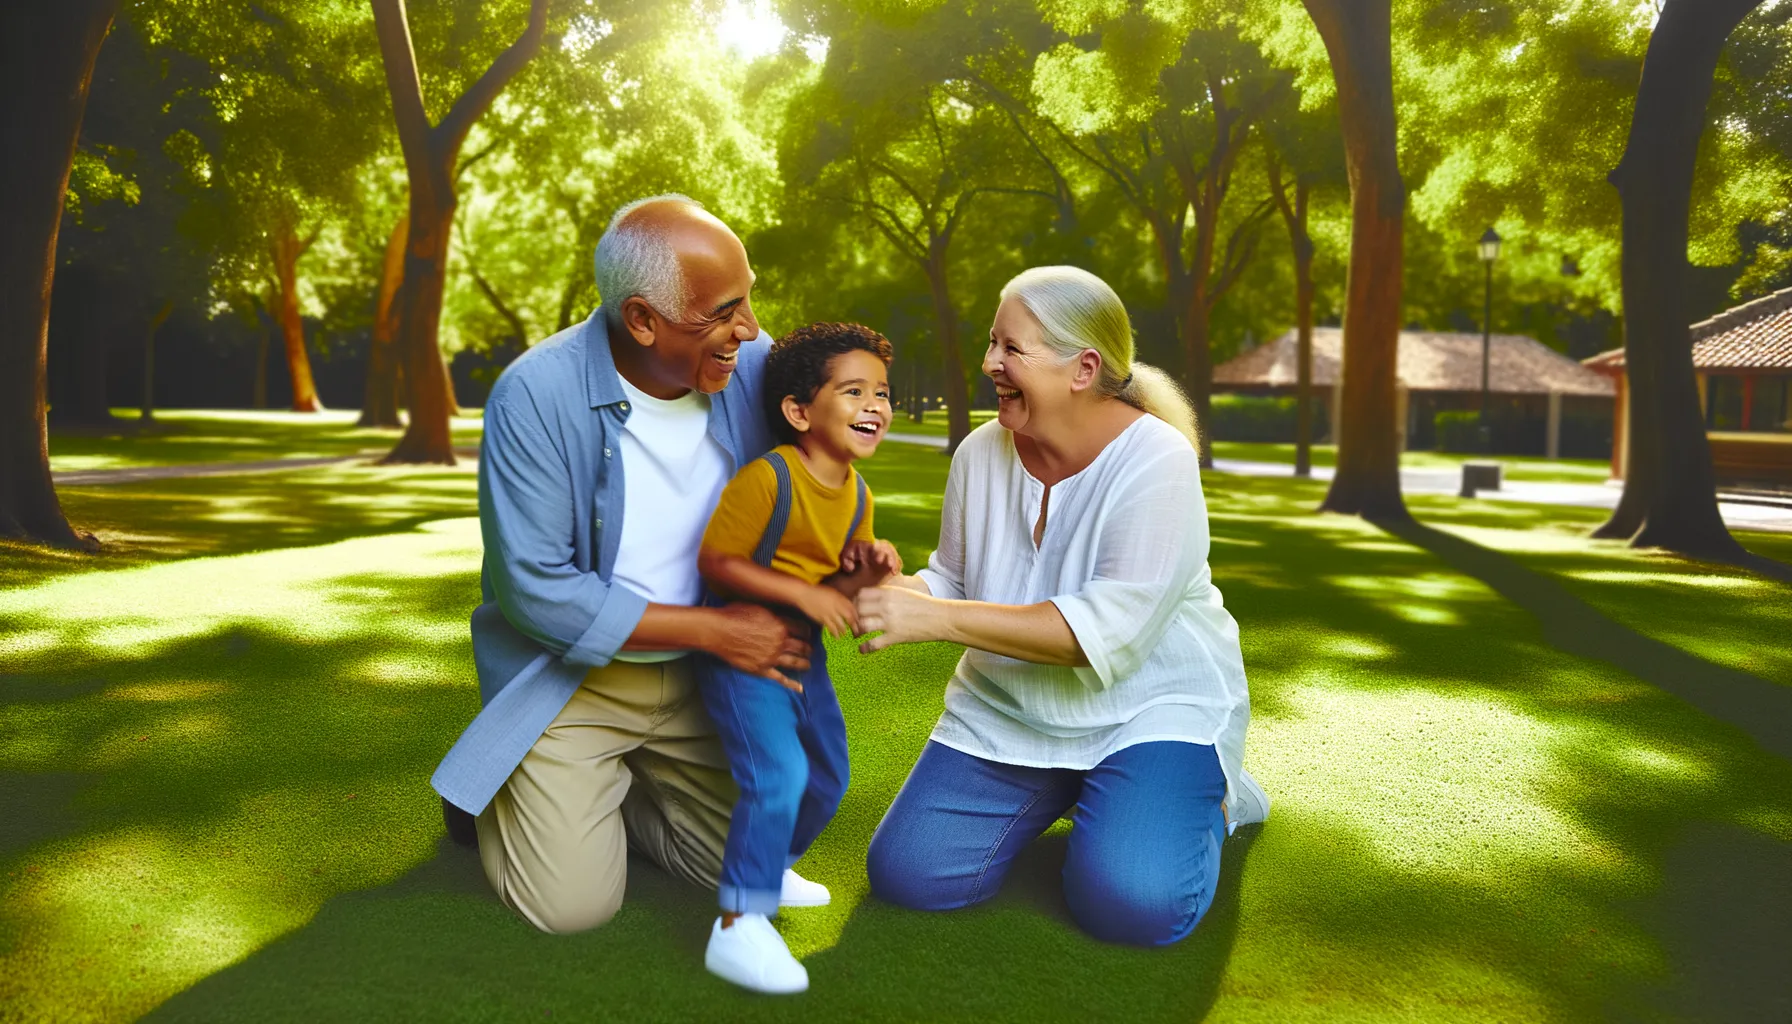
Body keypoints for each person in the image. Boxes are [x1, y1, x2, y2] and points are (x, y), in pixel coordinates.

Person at [430, 195, 815, 935]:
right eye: (724, 312)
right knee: (572, 909)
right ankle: (494, 788)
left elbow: (817, 458)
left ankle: (614, 795)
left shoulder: (753, 368)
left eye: (749, 299)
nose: (750, 329)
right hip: (577, 677)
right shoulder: (534, 395)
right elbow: (536, 591)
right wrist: (716, 631)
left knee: (772, 846)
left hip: (702, 681)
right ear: (642, 319)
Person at [854, 265, 1269, 947]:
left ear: (1084, 369)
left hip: (1148, 711)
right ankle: (1092, 798)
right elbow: (953, 578)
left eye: (1011, 349)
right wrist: (892, 590)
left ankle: (1217, 797)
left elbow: (1105, 634)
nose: (989, 363)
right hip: (1010, 709)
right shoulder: (979, 452)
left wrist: (936, 620)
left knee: (1133, 905)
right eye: (992, 343)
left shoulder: (1156, 460)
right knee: (909, 874)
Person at [693, 323, 902, 993]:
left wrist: (865, 573)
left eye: (881, 393)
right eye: (853, 391)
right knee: (778, 776)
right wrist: (801, 595)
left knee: (828, 776)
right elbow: (717, 562)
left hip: (805, 658)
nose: (874, 405)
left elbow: (835, 590)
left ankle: (772, 866)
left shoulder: (858, 495)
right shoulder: (770, 477)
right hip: (745, 656)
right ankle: (737, 925)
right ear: (799, 411)